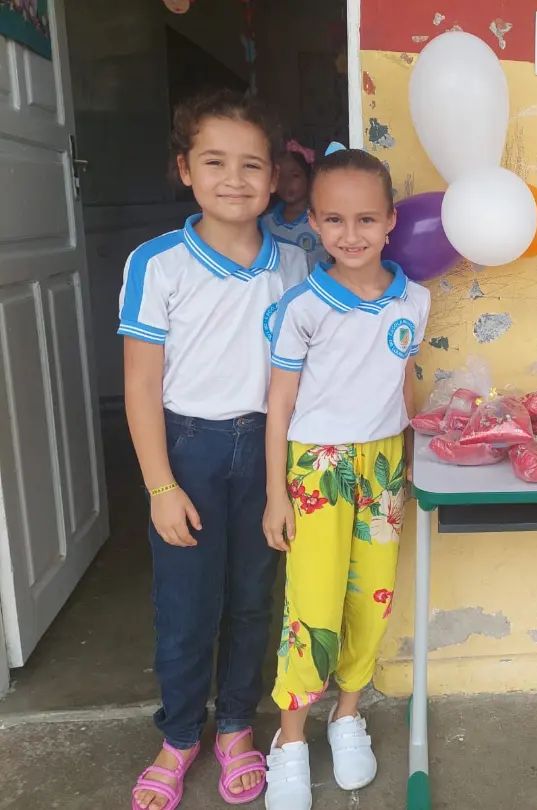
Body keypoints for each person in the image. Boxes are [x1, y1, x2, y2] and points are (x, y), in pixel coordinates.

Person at [122, 89, 308, 810]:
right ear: (185, 169)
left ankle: (234, 725)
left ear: (275, 176)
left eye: (252, 164)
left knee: (254, 599)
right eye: (215, 162)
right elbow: (141, 384)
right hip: (187, 450)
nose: (235, 179)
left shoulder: (294, 265)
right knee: (186, 606)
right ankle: (177, 737)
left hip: (266, 451)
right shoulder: (158, 263)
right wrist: (160, 486)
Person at [261, 144, 430, 810]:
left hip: (382, 466)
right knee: (311, 606)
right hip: (317, 468)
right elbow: (279, 405)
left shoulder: (413, 300)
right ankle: (290, 739)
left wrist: (413, 459)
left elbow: (405, 383)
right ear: (314, 222)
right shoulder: (303, 306)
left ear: (390, 222)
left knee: (372, 598)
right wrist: (276, 494)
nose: (350, 235)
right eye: (333, 220)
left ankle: (348, 712)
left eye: (365, 220)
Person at [262, 139, 323, 269]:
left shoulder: (321, 219)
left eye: (295, 175)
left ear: (309, 177)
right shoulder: (266, 222)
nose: (286, 182)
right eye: (280, 177)